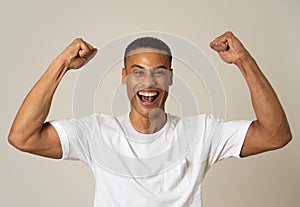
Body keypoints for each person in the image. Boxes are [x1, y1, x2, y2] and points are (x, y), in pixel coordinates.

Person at [8, 31, 292, 206]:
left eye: (159, 72)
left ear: (170, 78)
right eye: (137, 71)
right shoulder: (97, 131)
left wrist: (244, 60)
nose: (148, 81)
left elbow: (275, 135)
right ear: (124, 77)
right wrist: (61, 65)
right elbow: (23, 136)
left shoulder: (202, 132)